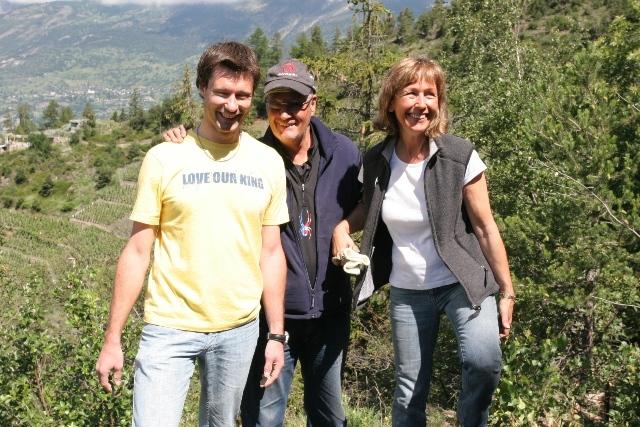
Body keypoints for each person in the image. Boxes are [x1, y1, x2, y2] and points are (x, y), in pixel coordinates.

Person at [95, 41, 289, 427]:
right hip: (169, 326)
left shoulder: (268, 162)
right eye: (222, 92)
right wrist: (112, 337)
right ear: (202, 88)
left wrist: (276, 336)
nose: (231, 105)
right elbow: (138, 251)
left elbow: (271, 253)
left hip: (238, 329)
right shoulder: (164, 158)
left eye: (242, 95)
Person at [163, 58, 361, 426]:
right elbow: (209, 158)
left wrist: (344, 228)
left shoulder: (344, 154)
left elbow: (366, 202)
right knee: (263, 418)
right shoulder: (251, 160)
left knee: (330, 416)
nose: (285, 114)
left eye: (295, 103)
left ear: (313, 104)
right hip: (268, 319)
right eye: (276, 104)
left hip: (331, 311)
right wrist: (182, 141)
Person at [332, 56, 515, 426]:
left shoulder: (459, 155)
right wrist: (342, 229)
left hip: (462, 281)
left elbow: (485, 227)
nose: (421, 103)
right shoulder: (377, 160)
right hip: (408, 290)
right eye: (411, 93)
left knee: (483, 361)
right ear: (392, 102)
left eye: (429, 94)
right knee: (408, 389)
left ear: (439, 102)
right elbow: (369, 206)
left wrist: (507, 292)